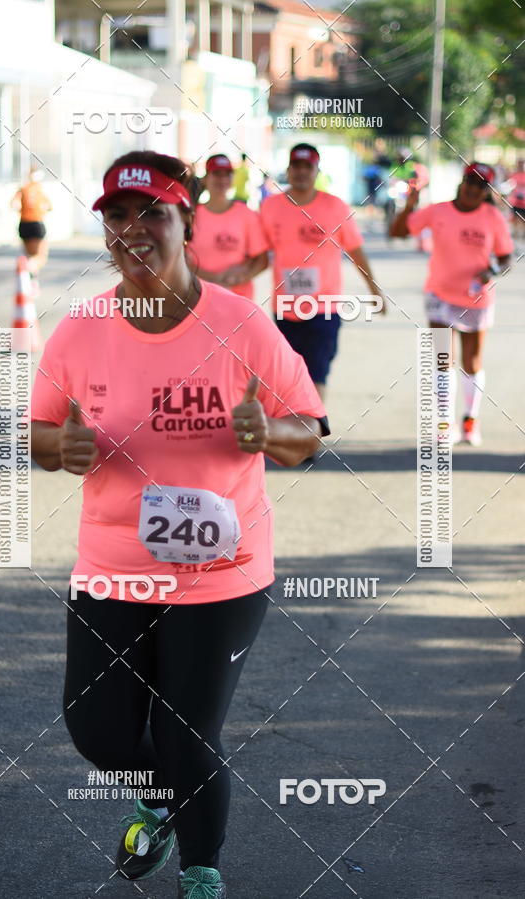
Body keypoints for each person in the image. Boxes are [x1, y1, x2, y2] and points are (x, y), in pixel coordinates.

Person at [30, 150, 329, 899]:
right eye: (118, 216)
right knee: (96, 730)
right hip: (112, 566)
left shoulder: (242, 323)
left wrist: (272, 435)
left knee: (186, 734)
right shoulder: (82, 329)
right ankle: (160, 799)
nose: (134, 229)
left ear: (186, 222)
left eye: (153, 213)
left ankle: (202, 873)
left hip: (221, 576)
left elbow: (311, 433)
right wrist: (56, 447)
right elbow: (34, 431)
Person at [390, 162, 513, 445]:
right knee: (444, 361)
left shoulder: (492, 217)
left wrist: (491, 271)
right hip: (439, 295)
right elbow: (398, 232)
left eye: (481, 186)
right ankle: (444, 424)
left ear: (486, 192)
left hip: (476, 298)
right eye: (471, 181)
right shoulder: (438, 211)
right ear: (462, 182)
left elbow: (507, 257)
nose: (473, 189)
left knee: (472, 363)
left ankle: (470, 420)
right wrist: (409, 204)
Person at [259, 143, 383, 402]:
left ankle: (312, 434)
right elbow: (260, 254)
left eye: (308, 167)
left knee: (316, 377)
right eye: (296, 166)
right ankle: (294, 433)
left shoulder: (335, 207)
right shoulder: (271, 207)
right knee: (287, 379)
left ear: (317, 171)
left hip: (324, 309)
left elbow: (356, 252)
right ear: (288, 170)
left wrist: (375, 291)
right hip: (285, 308)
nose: (301, 172)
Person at [186, 154, 269, 300]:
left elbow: (262, 259)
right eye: (217, 174)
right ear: (206, 178)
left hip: (238, 300)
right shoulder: (191, 216)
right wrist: (213, 279)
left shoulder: (246, 214)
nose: (222, 180)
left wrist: (243, 276)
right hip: (198, 298)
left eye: (227, 175)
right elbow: (181, 259)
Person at [11, 167, 52, 276]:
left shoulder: (23, 188)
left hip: (24, 223)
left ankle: (31, 281)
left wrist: (22, 210)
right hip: (37, 223)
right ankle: (27, 268)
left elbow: (13, 204)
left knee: (29, 254)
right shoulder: (39, 189)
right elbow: (49, 206)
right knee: (41, 256)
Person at [505, 159, 525, 241]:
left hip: (524, 201)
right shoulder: (513, 174)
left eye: (521, 164)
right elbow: (509, 185)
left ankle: (522, 234)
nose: (520, 165)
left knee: (523, 218)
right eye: (519, 164)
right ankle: (515, 233)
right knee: (514, 217)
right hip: (515, 201)